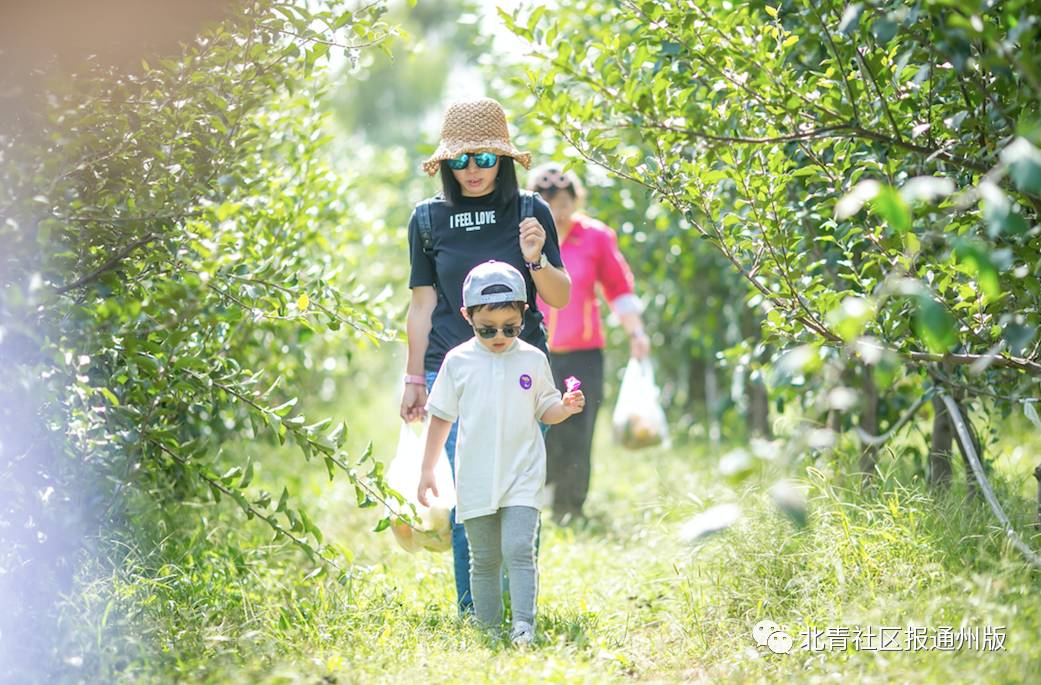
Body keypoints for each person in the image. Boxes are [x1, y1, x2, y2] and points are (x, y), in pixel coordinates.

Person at [400, 98, 571, 615]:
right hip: (453, 371)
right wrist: (413, 377)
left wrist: (536, 257)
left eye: (484, 158)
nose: (472, 170)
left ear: (502, 158)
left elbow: (559, 295)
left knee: (519, 492)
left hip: (522, 368)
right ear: (446, 164)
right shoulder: (428, 220)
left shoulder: (529, 211)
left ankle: (521, 609)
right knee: (469, 494)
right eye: (460, 160)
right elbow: (422, 304)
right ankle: (475, 607)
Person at [417, 260, 585, 645]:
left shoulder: (531, 358)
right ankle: (488, 628)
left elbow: (546, 408)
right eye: (487, 329)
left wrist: (566, 407)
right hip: (474, 477)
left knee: (518, 549)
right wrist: (428, 470)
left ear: (524, 314)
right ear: (467, 316)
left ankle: (524, 624)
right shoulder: (458, 361)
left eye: (510, 328)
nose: (499, 337)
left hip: (522, 472)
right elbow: (440, 417)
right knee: (485, 558)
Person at [528, 164, 651, 523]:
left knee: (579, 431)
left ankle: (570, 508)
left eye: (566, 201)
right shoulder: (526, 238)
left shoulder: (596, 237)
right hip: (537, 353)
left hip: (582, 355)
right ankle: (538, 494)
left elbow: (619, 289)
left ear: (577, 199)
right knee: (540, 429)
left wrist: (636, 333)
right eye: (551, 202)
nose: (560, 209)